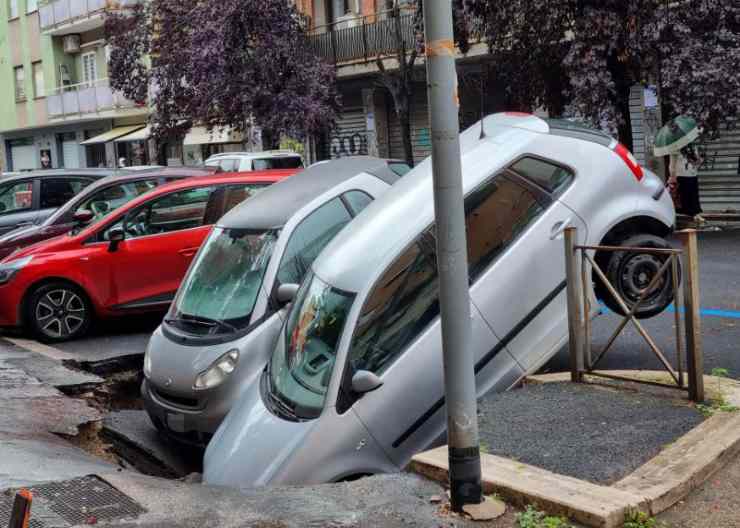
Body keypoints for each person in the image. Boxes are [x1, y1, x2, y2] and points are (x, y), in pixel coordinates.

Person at [668, 144, 704, 223]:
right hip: (681, 176)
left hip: (693, 174)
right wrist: (672, 176)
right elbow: (672, 164)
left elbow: (697, 162)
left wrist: (699, 160)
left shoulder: (693, 147)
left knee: (693, 196)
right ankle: (685, 218)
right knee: (682, 198)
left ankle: (695, 215)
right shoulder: (674, 147)